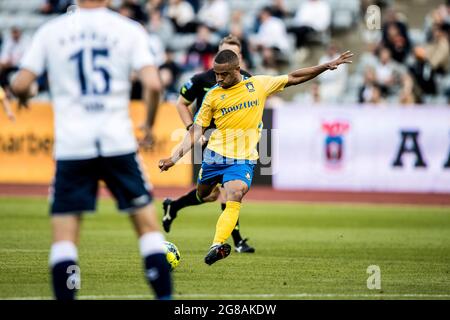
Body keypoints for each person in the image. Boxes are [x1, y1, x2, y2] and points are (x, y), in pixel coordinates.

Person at [11, 0, 172, 300]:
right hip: (118, 142)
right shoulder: (128, 29)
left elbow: (20, 84)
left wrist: (25, 95)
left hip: (73, 145)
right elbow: (152, 84)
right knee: (148, 230)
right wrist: (148, 125)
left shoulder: (52, 30)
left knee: (64, 240)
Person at [159, 49, 353, 265]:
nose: (219, 79)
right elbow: (196, 131)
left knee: (236, 192)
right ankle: (174, 206)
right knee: (206, 194)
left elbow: (294, 77)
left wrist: (325, 66)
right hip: (214, 156)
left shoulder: (257, 85)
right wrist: (173, 159)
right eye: (216, 74)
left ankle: (217, 245)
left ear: (237, 70)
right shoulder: (212, 96)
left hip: (242, 159)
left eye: (224, 74)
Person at [162, 35, 255, 254]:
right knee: (226, 191)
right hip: (209, 139)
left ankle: (173, 206)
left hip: (234, 141)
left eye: (234, 52)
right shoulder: (202, 79)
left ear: (239, 57)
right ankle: (237, 240)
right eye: (225, 51)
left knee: (212, 194)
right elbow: (181, 103)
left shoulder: (248, 80)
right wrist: (190, 129)